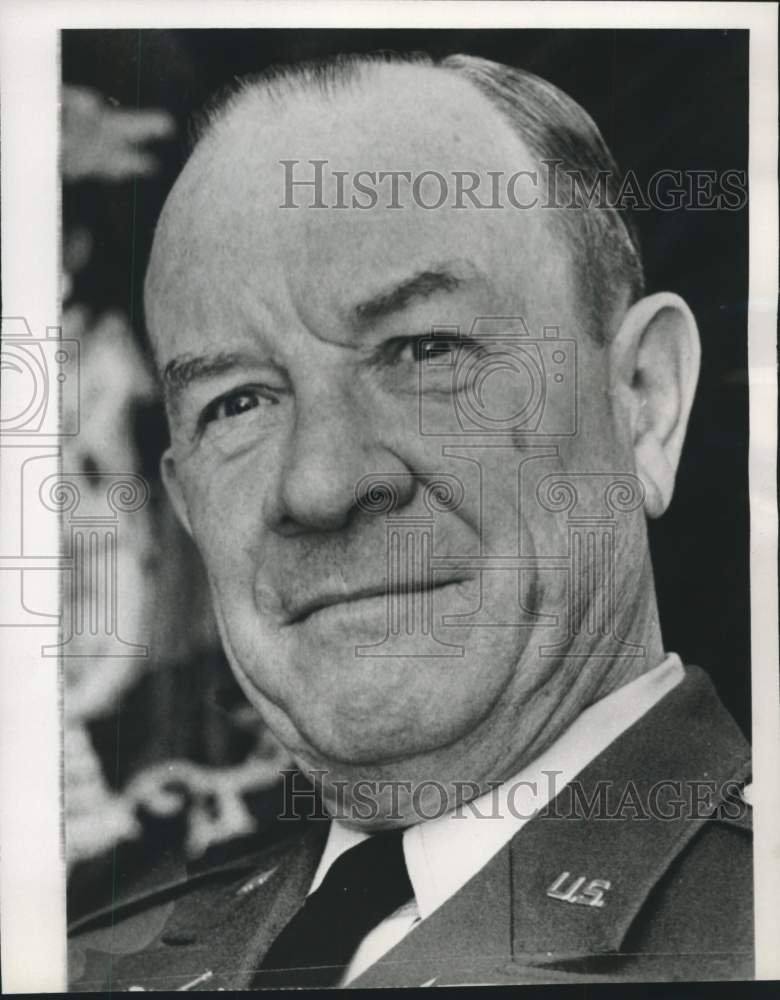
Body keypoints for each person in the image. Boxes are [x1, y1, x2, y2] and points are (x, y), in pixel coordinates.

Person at [68, 52, 752, 989]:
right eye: (236, 402)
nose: (320, 484)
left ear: (645, 400)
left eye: (427, 350)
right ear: (185, 506)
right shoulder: (83, 964)